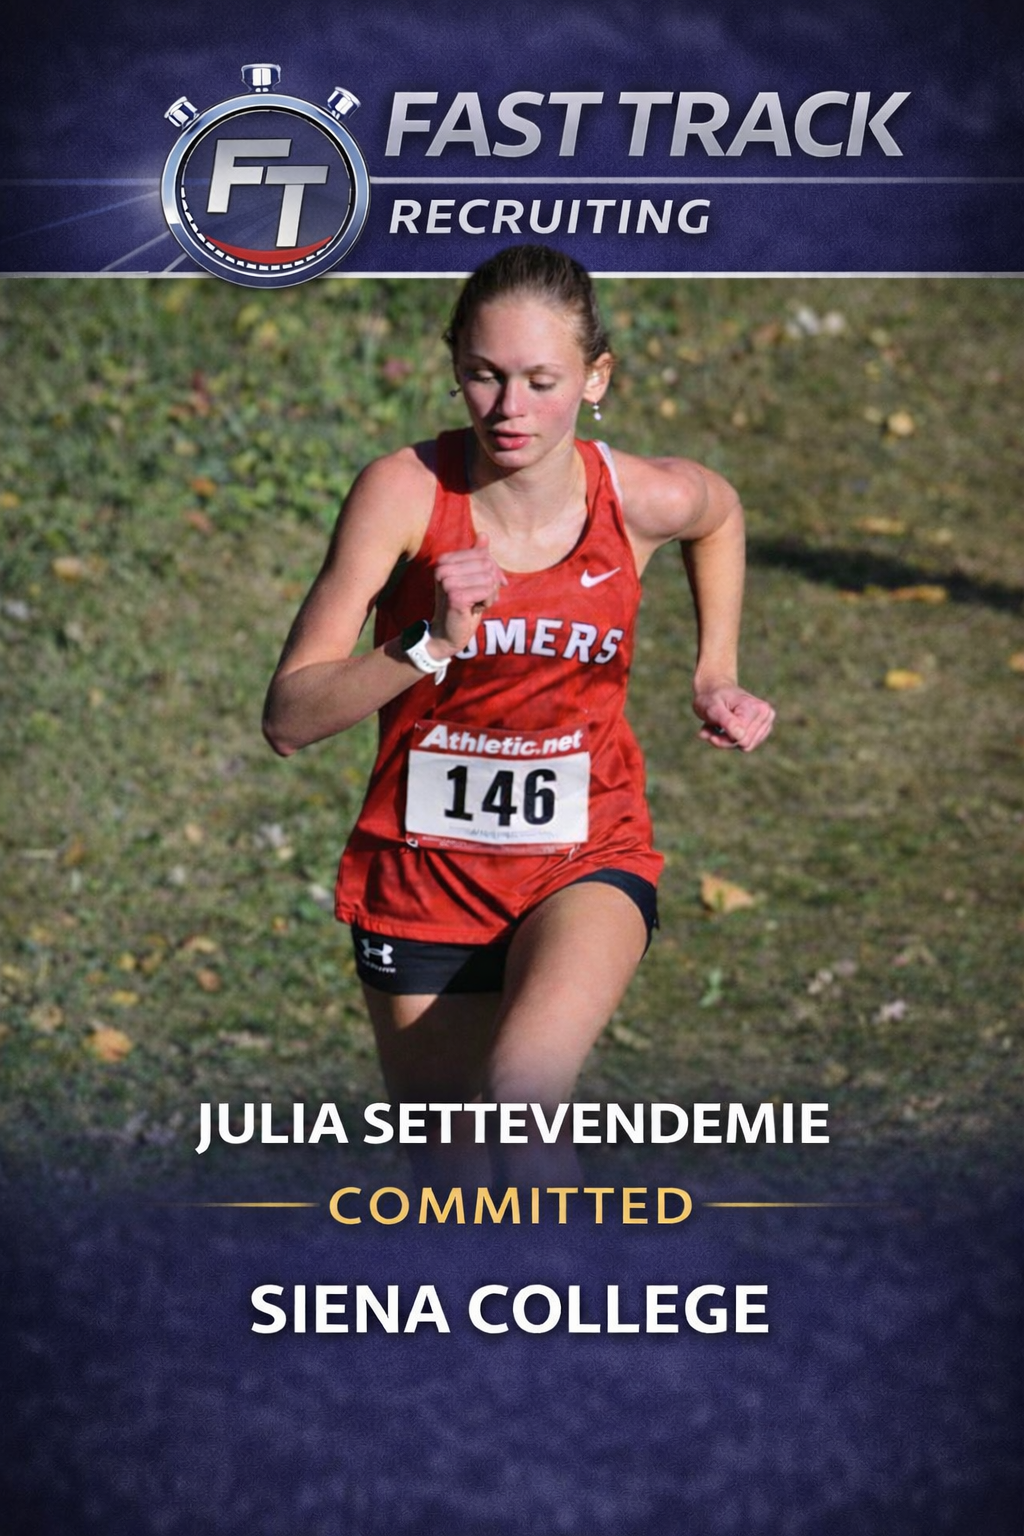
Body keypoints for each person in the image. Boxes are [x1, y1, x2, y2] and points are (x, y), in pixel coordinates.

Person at [263, 245, 774, 1186]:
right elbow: (290, 716)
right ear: (454, 364)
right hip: (423, 876)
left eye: (542, 381)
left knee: (523, 1094)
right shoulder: (404, 495)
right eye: (485, 377)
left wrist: (714, 673)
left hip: (586, 854)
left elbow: (719, 511)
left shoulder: (638, 498)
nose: (510, 410)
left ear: (595, 379)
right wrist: (426, 644)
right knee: (454, 1179)